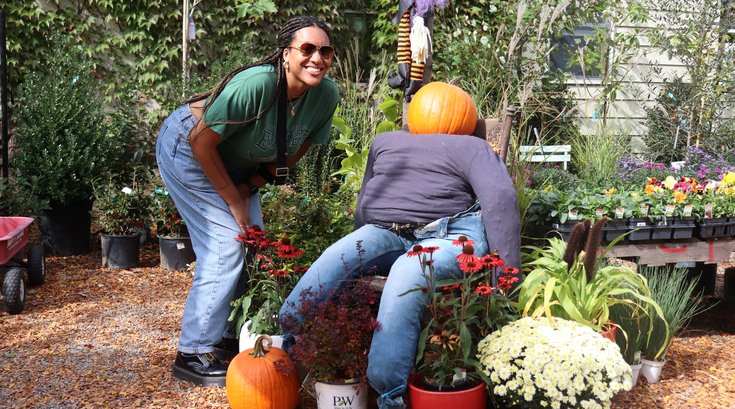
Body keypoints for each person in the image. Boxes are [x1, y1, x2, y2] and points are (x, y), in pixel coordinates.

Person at [156, 15, 340, 387]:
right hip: (189, 149)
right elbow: (201, 141)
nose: (316, 58)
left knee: (253, 243)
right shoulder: (257, 84)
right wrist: (233, 199)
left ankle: (226, 336)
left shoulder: (325, 95)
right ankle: (192, 352)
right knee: (227, 244)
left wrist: (248, 187)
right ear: (286, 54)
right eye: (306, 49)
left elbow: (290, 154)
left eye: (325, 51)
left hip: (236, 166)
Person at [280, 127, 521, 408]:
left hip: (452, 232)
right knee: (337, 257)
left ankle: (389, 397)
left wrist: (505, 281)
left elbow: (500, 200)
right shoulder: (384, 141)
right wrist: (361, 245)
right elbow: (366, 202)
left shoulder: (472, 147)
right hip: (389, 228)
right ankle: (284, 349)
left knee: (408, 273)